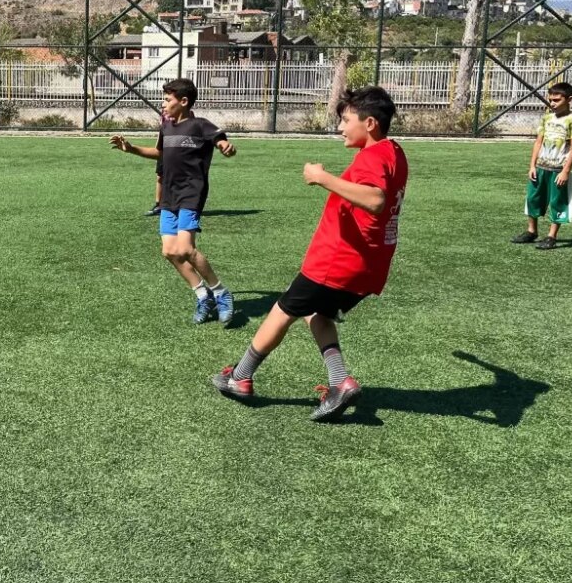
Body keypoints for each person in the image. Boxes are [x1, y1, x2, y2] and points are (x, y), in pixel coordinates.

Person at [212, 86, 408, 422]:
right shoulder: (395, 152)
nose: (340, 128)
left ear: (370, 123)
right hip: (369, 265)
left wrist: (322, 178)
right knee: (317, 314)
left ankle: (240, 377)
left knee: (282, 310)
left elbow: (375, 200)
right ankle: (340, 382)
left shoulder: (372, 157)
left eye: (346, 120)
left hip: (336, 262)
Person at [111, 78, 237, 324]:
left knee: (186, 249)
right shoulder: (166, 127)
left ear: (184, 101)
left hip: (191, 193)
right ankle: (203, 296)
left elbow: (219, 140)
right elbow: (160, 152)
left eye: (168, 100)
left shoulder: (200, 125)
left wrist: (225, 146)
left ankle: (221, 292)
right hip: (169, 195)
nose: (163, 103)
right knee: (169, 251)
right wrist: (131, 148)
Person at [511, 82, 572, 251]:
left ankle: (551, 236)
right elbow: (538, 142)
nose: (552, 103)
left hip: (558, 170)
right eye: (550, 100)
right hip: (541, 167)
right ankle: (531, 231)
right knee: (532, 198)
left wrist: (565, 171)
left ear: (569, 99)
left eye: (557, 100)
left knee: (557, 202)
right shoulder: (547, 118)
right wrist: (532, 166)